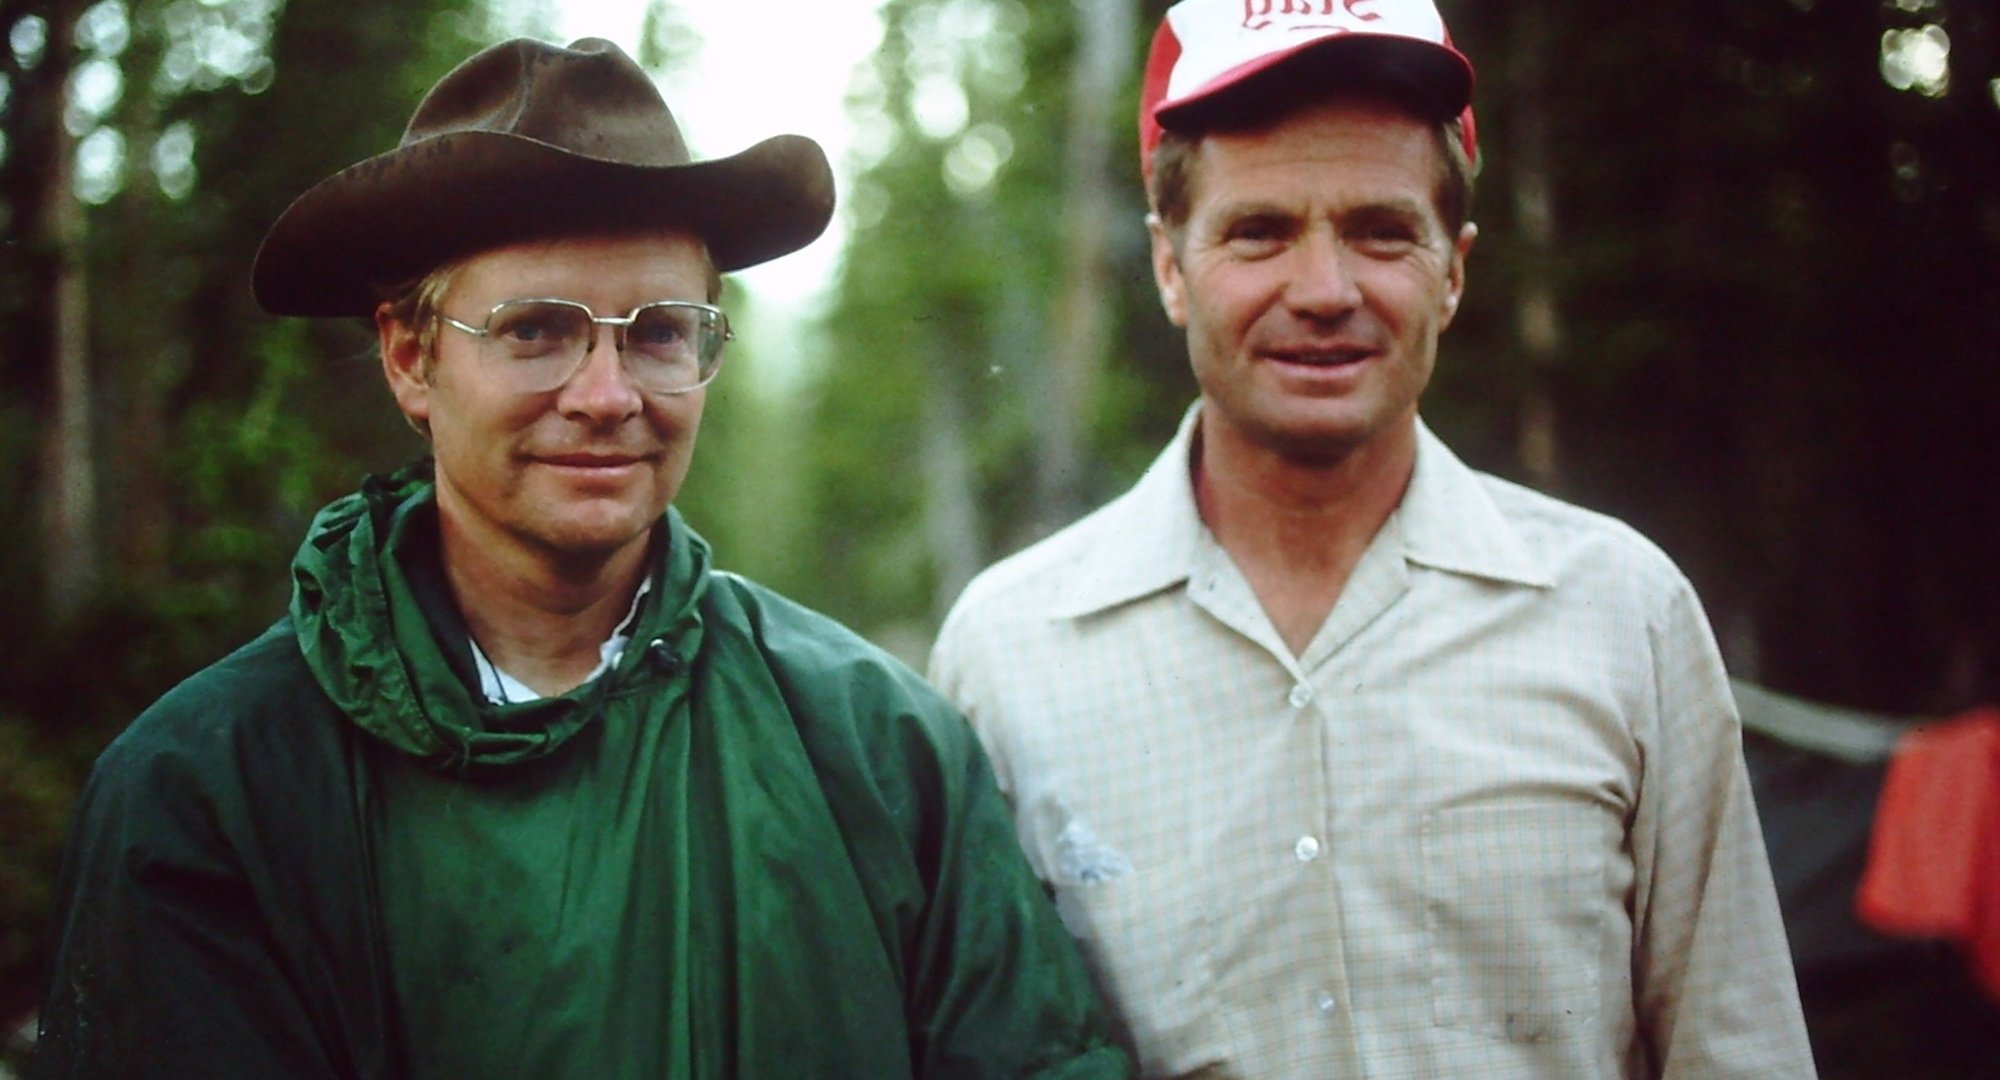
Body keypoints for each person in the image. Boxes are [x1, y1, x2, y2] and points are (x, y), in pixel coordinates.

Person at [34, 37, 1127, 1079]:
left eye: (658, 333)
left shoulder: (875, 747)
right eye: (535, 330)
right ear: (410, 359)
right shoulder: (208, 789)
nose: (605, 397)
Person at [928, 1, 1818, 1076]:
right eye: (1257, 231)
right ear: (1170, 267)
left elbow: (1739, 1049)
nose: (1322, 291)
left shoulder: (1620, 613)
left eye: (1380, 231)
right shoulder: (1010, 652)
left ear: (1451, 269)